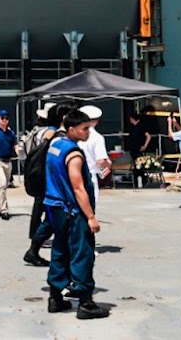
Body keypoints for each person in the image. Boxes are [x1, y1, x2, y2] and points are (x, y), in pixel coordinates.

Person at [43, 109, 109, 319]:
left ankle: (55, 296)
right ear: (72, 129)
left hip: (53, 206)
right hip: (71, 210)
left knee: (59, 249)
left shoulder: (55, 145)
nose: (88, 132)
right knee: (82, 253)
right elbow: (78, 187)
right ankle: (85, 302)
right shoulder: (73, 154)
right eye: (84, 129)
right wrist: (90, 216)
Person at [22, 105, 64, 266]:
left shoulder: (36, 130)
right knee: (48, 211)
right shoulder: (51, 132)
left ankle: (34, 242)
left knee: (42, 209)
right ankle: (36, 242)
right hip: (46, 176)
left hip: (39, 174)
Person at [80, 105, 111, 194]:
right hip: (89, 175)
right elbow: (101, 161)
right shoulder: (97, 137)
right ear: (96, 121)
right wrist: (108, 163)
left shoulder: (73, 134)